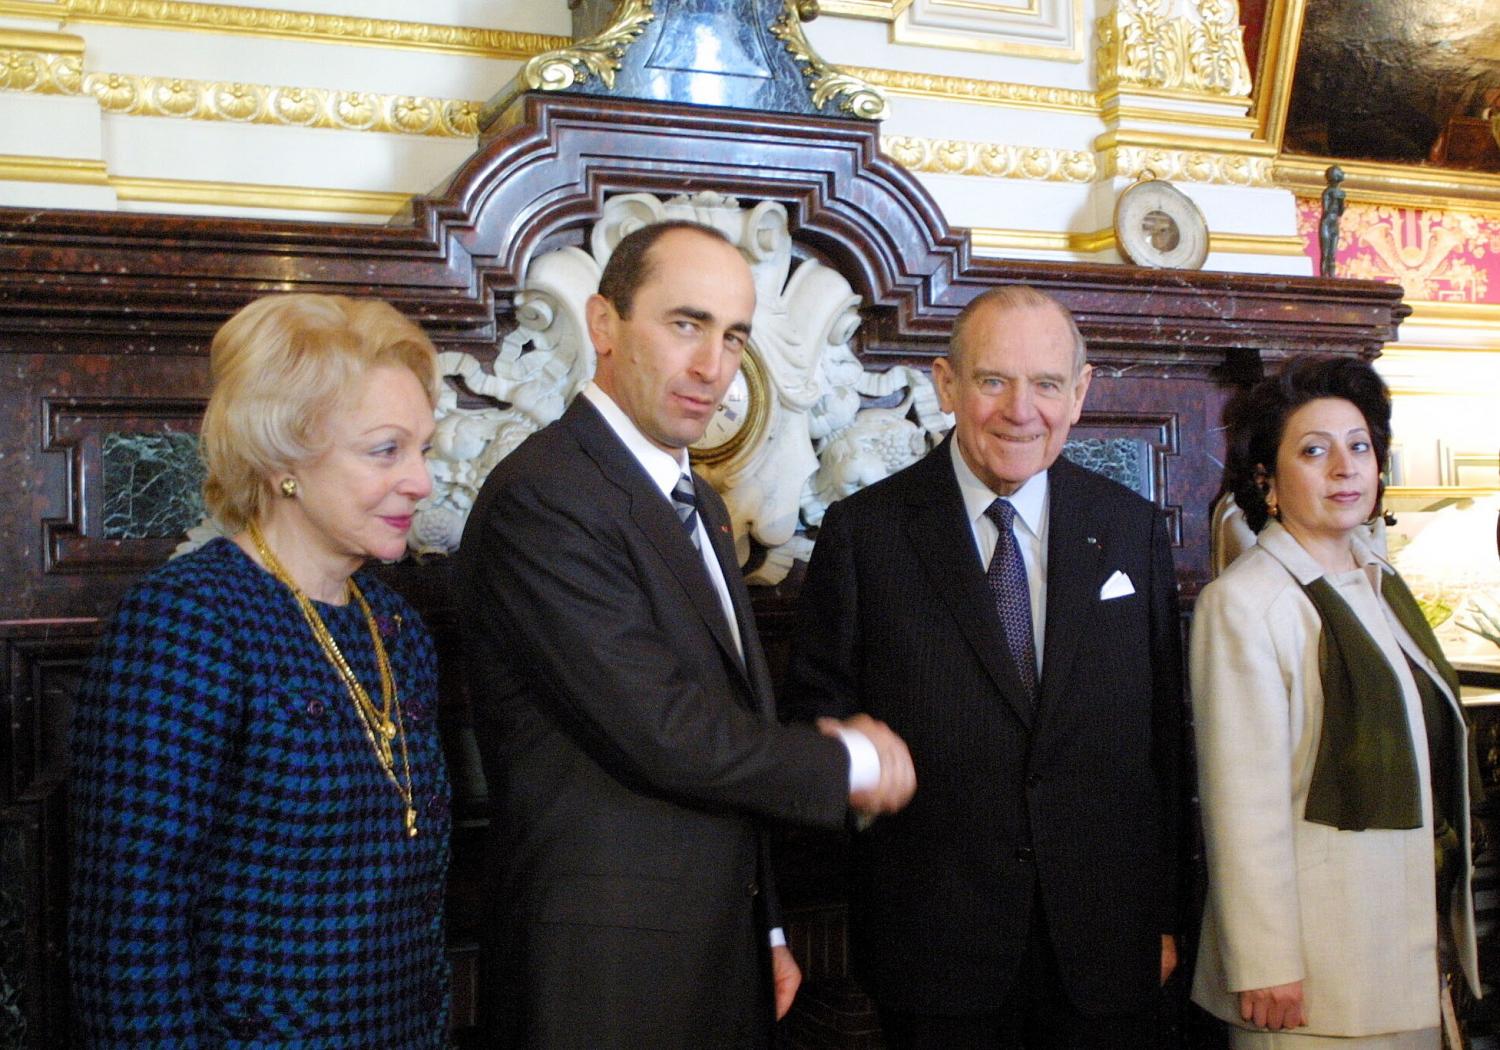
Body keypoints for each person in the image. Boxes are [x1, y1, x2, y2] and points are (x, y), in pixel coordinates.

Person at [455, 219, 916, 1050]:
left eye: (733, 336)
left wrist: (765, 927)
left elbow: (727, 714)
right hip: (600, 974)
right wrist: (847, 761)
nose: (713, 367)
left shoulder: (695, 497)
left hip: (713, 950)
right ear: (603, 324)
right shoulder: (547, 496)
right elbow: (665, 731)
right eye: (685, 324)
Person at [785, 285, 1184, 1049]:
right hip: (934, 957)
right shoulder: (863, 535)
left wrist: (1165, 918)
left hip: (1105, 955)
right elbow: (812, 726)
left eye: (1046, 384)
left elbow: (1165, 746)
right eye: (994, 381)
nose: (1021, 410)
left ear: (1080, 394)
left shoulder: (1130, 530)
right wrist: (853, 759)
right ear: (947, 386)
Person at [69, 294, 451, 1047]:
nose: (422, 482)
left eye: (424, 450)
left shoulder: (394, 624)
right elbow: (129, 931)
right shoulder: (187, 619)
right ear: (283, 461)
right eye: (385, 450)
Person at [1190, 355, 1481, 1049]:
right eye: (1314, 451)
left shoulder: (1380, 582)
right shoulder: (1247, 603)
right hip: (1310, 977)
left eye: (1360, 447)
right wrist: (1265, 964)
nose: (1345, 468)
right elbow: (1242, 803)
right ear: (1268, 479)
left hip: (1402, 946)